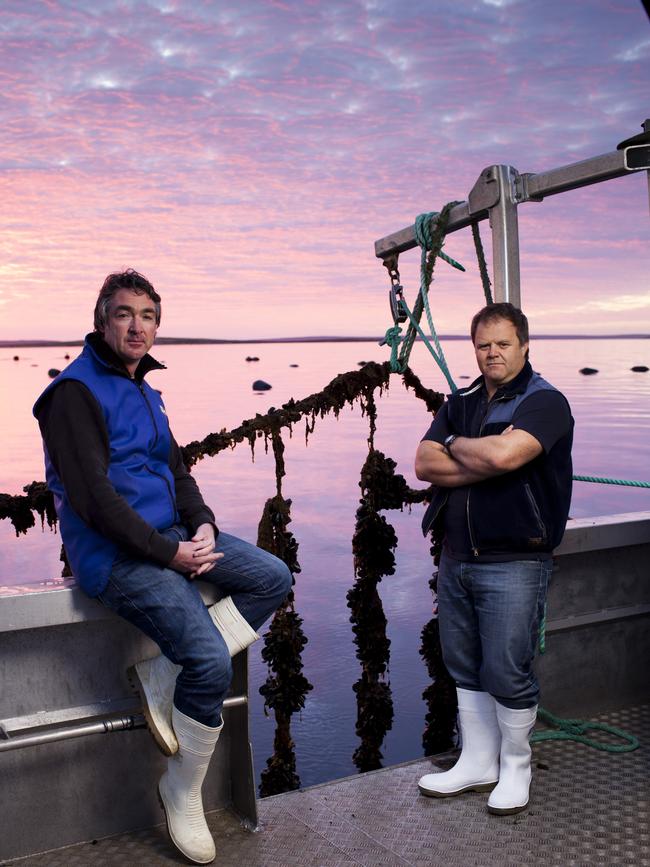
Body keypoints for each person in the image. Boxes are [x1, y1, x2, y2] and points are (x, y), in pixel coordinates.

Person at [33, 269, 292, 865]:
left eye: (148, 316)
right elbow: (94, 500)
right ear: (103, 320)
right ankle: (181, 789)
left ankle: (162, 678)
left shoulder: (147, 390)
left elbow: (177, 472)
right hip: (118, 557)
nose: (138, 326)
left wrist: (201, 525)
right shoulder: (74, 393)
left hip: (174, 537)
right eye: (125, 314)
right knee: (205, 657)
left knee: (272, 577)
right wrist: (168, 553)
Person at [414, 302, 573, 816]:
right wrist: (477, 450)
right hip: (456, 556)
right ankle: (478, 762)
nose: (492, 353)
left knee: (507, 668)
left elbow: (508, 456)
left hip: (516, 560)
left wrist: (458, 447)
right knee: (462, 664)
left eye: (503, 344)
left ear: (524, 345)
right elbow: (423, 463)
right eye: (484, 345)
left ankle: (516, 766)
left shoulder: (545, 402)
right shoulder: (459, 402)